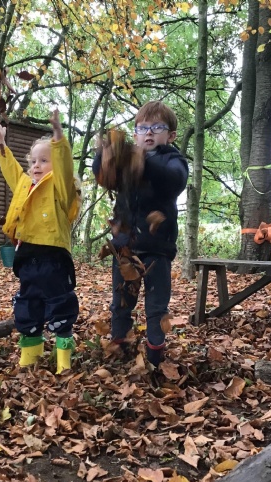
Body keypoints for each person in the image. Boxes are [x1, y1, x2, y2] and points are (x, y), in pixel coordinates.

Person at [93, 101, 189, 368]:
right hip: (125, 249)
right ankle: (120, 350)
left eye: (157, 127)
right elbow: (104, 175)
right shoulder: (126, 162)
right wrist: (104, 155)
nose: (148, 133)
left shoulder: (173, 160)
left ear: (170, 135)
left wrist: (142, 162)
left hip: (157, 249)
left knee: (156, 307)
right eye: (142, 128)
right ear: (135, 133)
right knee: (121, 303)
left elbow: (174, 180)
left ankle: (155, 358)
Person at [0, 110, 81, 374]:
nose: (36, 165)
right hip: (27, 255)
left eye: (44, 160)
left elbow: (64, 168)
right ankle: (31, 356)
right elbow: (12, 171)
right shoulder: (25, 185)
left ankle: (63, 358)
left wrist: (58, 136)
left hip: (54, 257)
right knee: (28, 304)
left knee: (60, 304)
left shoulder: (61, 189)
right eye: (33, 161)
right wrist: (1, 143)